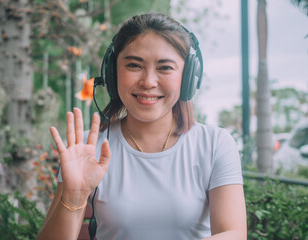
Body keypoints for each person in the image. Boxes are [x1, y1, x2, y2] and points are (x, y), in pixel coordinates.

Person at [37, 13, 247, 240]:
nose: (148, 82)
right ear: (112, 72)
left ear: (187, 78)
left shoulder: (214, 144)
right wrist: (74, 198)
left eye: (165, 67)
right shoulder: (88, 149)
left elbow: (233, 233)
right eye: (134, 65)